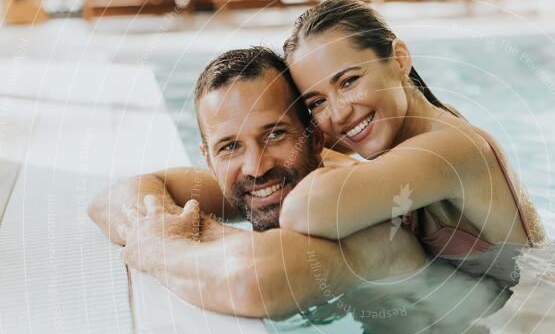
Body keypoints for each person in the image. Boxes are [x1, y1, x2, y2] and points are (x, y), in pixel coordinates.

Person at [89, 46, 426, 319]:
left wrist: (159, 246)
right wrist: (175, 229)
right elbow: (111, 198)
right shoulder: (255, 181)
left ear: (314, 139)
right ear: (208, 158)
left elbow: (254, 284)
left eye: (275, 135)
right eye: (230, 146)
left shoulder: (355, 205)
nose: (255, 167)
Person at [279, 0, 545, 260]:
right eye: (318, 102)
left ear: (399, 59)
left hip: (552, 297)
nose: (339, 114)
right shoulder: (415, 123)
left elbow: (302, 211)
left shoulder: (450, 148)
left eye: (349, 81)